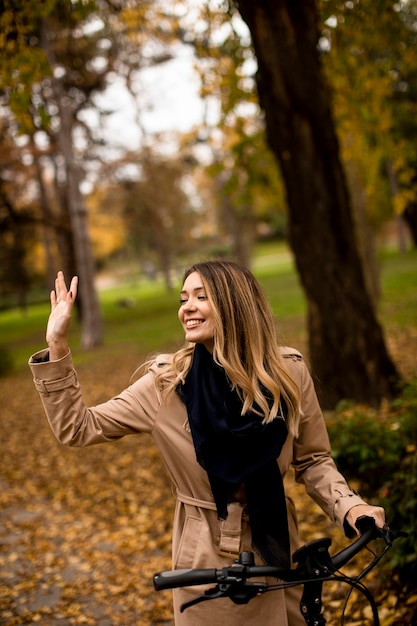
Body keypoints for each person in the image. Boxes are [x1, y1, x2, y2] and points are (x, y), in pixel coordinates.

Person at [29, 261, 385, 626]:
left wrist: (351, 508)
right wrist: (57, 344)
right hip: (206, 560)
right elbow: (77, 427)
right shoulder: (165, 385)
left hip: (279, 550)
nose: (187, 307)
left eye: (201, 296)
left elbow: (313, 460)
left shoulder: (287, 374)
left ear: (235, 305)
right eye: (184, 298)